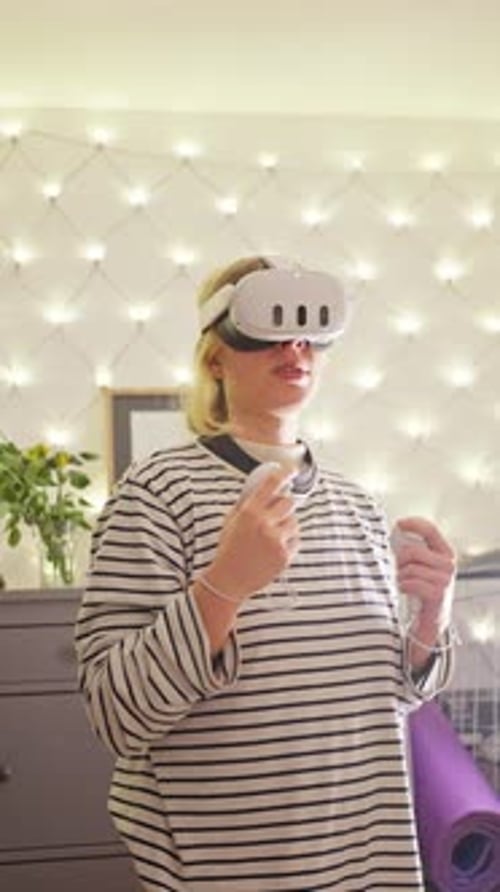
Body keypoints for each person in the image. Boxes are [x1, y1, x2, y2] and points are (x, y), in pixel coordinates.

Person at [75, 255, 456, 891]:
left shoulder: (357, 504)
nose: (295, 345)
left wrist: (433, 615)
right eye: (267, 325)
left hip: (369, 870)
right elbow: (118, 715)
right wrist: (223, 586)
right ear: (215, 356)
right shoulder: (155, 492)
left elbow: (393, 695)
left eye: (309, 329)